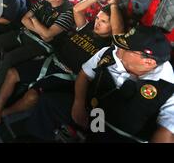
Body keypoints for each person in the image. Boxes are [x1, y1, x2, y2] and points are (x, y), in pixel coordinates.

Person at [0, 0, 123, 129]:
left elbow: (48, 36)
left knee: (31, 96)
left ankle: (1, 113)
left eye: (103, 22)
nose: (97, 23)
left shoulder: (109, 45)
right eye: (97, 18)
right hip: (52, 60)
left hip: (67, 73)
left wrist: (114, 6)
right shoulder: (86, 28)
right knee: (12, 72)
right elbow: (77, 9)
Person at [25, 25, 174, 143]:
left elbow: (165, 132)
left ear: (148, 62)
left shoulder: (168, 87)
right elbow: (84, 75)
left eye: (125, 48)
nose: (117, 48)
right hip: (91, 110)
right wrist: (78, 104)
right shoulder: (109, 53)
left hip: (117, 135)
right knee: (48, 102)